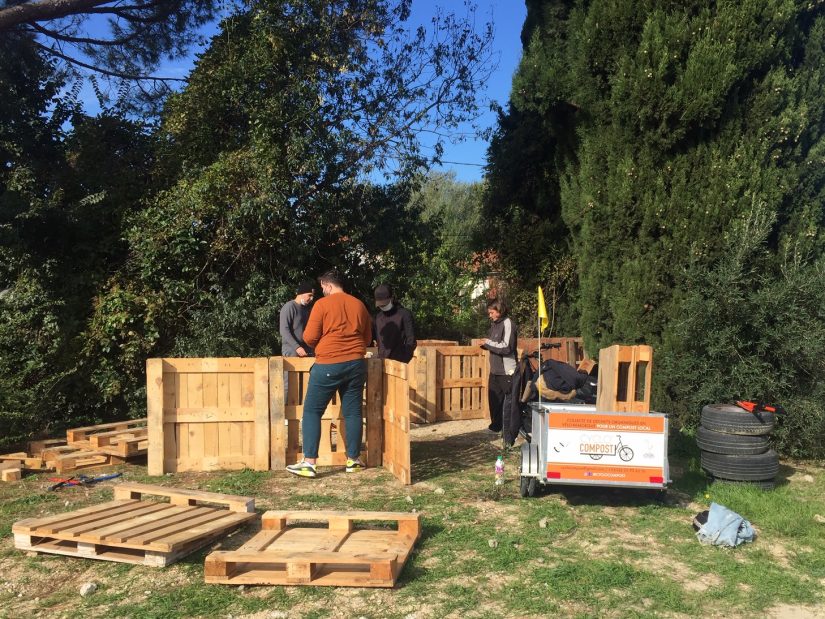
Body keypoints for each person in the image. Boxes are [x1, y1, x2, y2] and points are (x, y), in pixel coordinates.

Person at [285, 270, 373, 479]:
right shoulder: (359, 304)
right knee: (352, 412)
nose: (322, 291)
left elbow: (309, 337)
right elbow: (368, 337)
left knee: (312, 411)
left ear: (328, 285)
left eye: (323, 287)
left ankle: (309, 463)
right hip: (356, 363)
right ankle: (353, 460)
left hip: (329, 363)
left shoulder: (322, 305)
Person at [480, 297, 518, 435]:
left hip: (507, 370)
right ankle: (495, 427)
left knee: (508, 401)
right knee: (494, 399)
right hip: (495, 370)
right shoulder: (494, 325)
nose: (490, 316)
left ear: (499, 311)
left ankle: (509, 430)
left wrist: (489, 343)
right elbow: (495, 344)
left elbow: (507, 347)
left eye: (491, 313)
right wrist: (486, 345)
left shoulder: (508, 323)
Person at [372, 283, 417, 363]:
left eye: (385, 304)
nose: (383, 307)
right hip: (382, 362)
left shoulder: (404, 314)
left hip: (400, 362)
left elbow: (411, 340)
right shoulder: (378, 317)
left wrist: (405, 359)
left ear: (392, 298)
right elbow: (378, 340)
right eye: (380, 305)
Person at [279, 280, 315, 358]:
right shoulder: (289, 307)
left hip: (306, 351)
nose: (311, 298)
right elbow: (284, 330)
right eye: (310, 295)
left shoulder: (306, 309)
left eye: (312, 296)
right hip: (291, 350)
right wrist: (297, 347)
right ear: (301, 293)